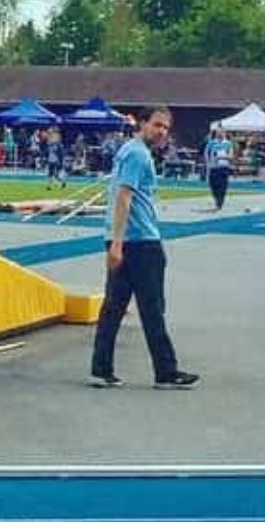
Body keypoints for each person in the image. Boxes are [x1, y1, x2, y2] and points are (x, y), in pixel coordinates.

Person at [89, 107, 199, 390]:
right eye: (157, 125)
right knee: (152, 308)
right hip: (140, 242)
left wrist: (115, 241)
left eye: (165, 127)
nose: (162, 131)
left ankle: (102, 369)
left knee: (113, 307)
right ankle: (166, 371)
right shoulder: (137, 154)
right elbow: (123, 197)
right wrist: (117, 244)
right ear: (142, 124)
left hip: (128, 239)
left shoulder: (130, 151)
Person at [203, 124, 234, 211]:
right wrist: (208, 163)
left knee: (223, 186)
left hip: (224, 167)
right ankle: (217, 199)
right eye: (218, 133)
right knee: (213, 185)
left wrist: (222, 157)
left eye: (221, 133)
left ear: (224, 133)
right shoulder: (211, 143)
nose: (220, 134)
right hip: (214, 167)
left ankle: (220, 202)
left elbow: (231, 156)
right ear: (216, 134)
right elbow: (206, 154)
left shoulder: (228, 143)